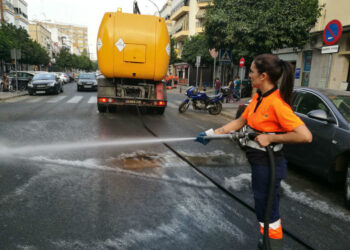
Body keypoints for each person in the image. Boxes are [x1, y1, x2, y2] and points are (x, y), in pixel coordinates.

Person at [195, 54, 312, 250]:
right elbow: (240, 122)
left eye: (251, 71)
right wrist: (212, 134)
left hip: (269, 164)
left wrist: (271, 137)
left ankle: (272, 245)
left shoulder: (276, 104)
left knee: (268, 209)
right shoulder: (258, 97)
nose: (248, 75)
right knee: (262, 205)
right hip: (259, 162)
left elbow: (305, 135)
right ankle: (266, 238)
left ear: (263, 76)